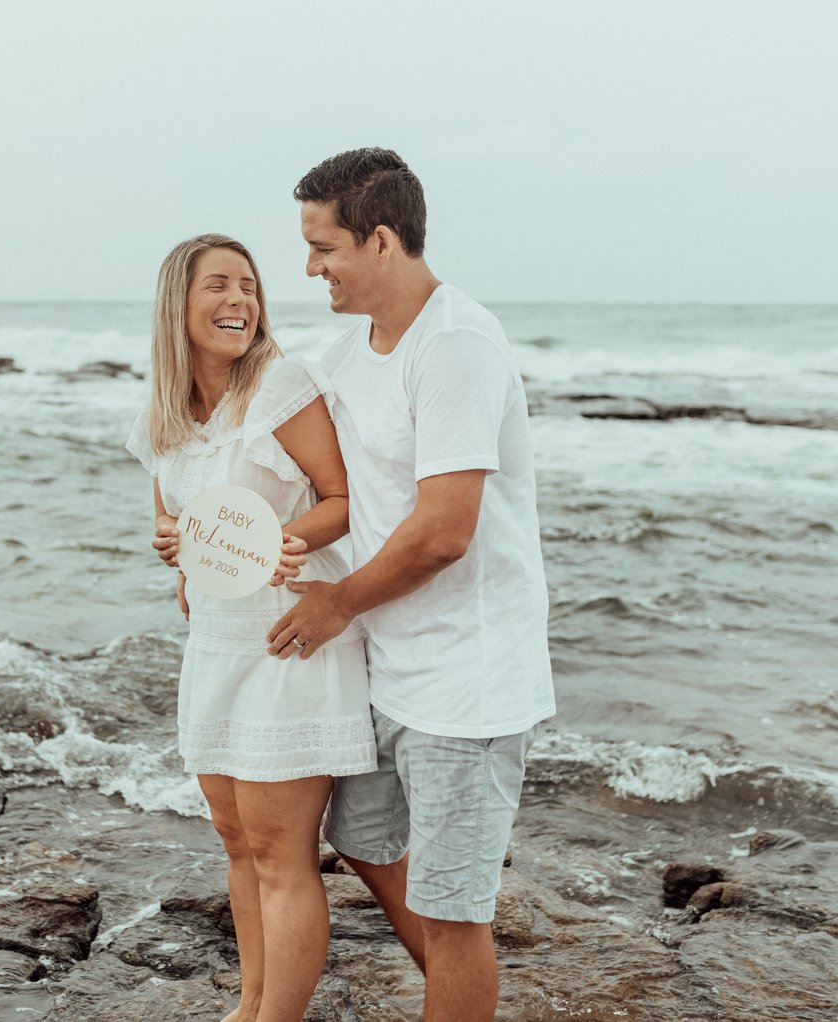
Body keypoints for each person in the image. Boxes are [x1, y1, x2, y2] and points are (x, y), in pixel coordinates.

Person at [266, 149, 557, 1021]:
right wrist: (203, 537)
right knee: (358, 841)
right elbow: (307, 475)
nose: (310, 266)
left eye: (324, 246)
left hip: (467, 684)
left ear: (382, 240)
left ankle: (458, 992)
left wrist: (335, 603)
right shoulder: (348, 349)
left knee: (454, 910)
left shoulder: (457, 346)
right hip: (386, 667)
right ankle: (455, 998)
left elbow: (444, 532)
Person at [125, 233, 376, 1022]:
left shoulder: (280, 386)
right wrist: (174, 554)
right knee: (237, 843)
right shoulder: (165, 415)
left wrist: (287, 542)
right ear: (179, 304)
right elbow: (173, 524)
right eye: (218, 287)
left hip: (288, 636)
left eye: (248, 287)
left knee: (281, 852)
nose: (240, 302)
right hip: (218, 645)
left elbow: (342, 499)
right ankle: (252, 1007)